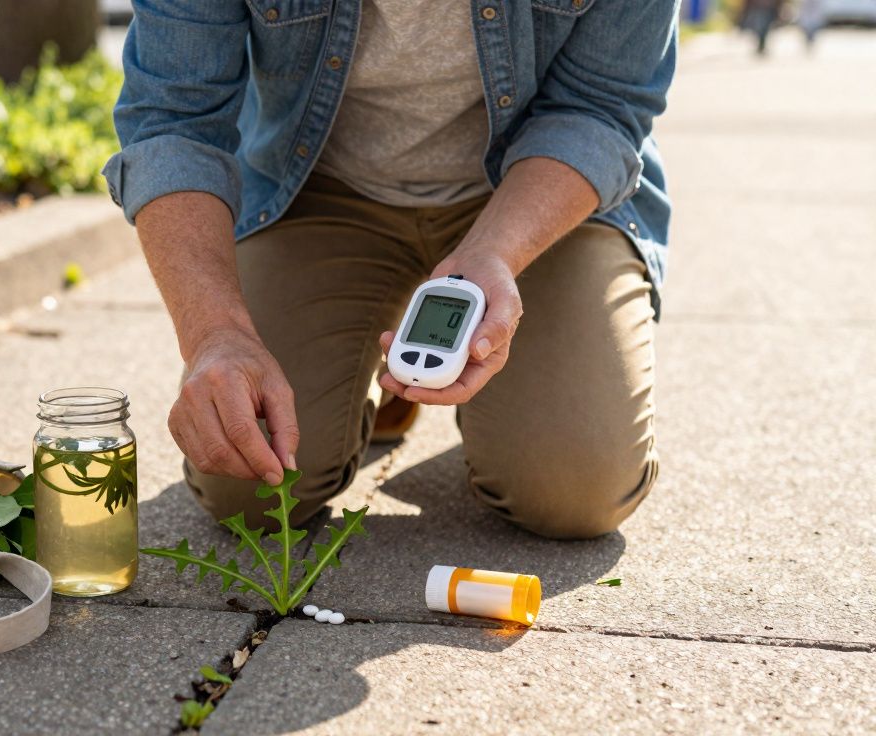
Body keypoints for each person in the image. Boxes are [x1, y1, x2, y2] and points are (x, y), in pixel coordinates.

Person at [103, 1, 677, 539]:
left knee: (571, 489)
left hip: (532, 195)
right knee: (249, 486)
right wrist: (214, 335)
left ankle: (506, 404)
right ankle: (380, 371)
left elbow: (601, 105)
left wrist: (497, 252)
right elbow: (174, 119)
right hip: (317, 189)